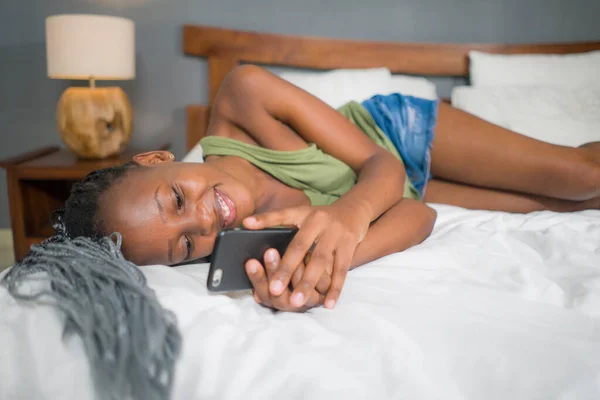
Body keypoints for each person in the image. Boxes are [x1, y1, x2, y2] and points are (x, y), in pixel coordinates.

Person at [58, 65, 600, 312]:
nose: (201, 221)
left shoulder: (243, 97)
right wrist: (325, 263)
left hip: (398, 138)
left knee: (582, 179)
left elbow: (380, 164)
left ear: (156, 158)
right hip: (411, 189)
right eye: (184, 246)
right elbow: (421, 215)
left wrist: (345, 218)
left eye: (176, 198)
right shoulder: (254, 238)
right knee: (569, 206)